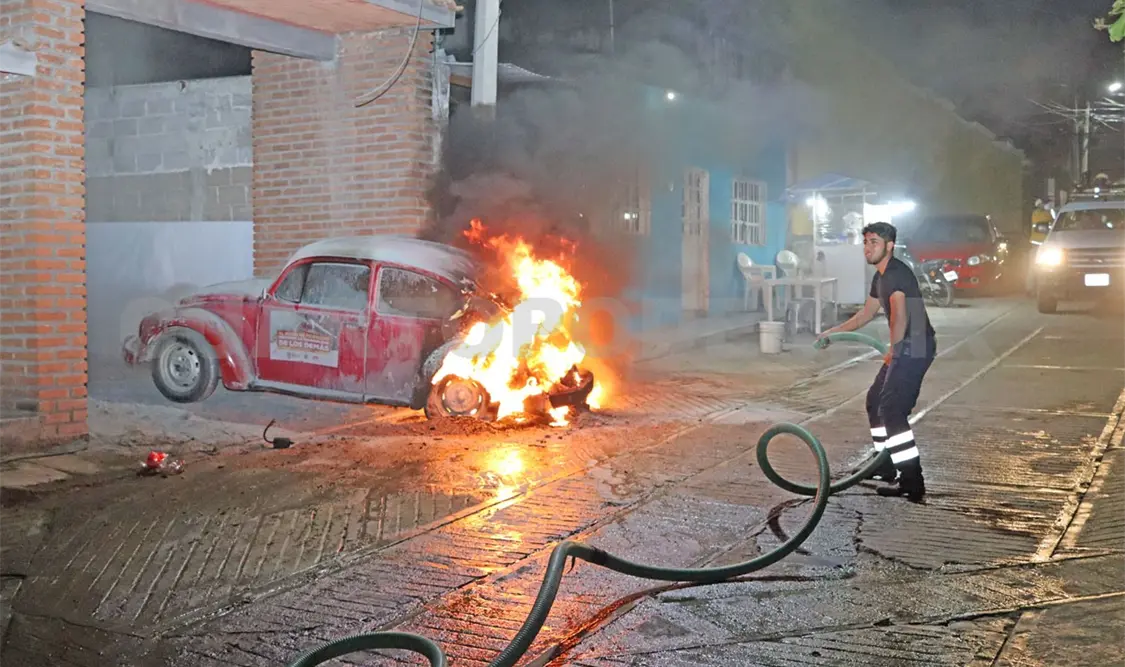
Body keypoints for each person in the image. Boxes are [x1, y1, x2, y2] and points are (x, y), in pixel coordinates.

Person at [817, 221, 937, 502]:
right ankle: (885, 463)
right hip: (905, 346)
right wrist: (832, 333)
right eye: (866, 242)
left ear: (889, 246)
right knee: (875, 402)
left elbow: (899, 317)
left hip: (915, 346)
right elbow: (866, 314)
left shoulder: (896, 273)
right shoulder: (880, 277)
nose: (867, 248)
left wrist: (894, 351)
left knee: (893, 410)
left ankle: (912, 481)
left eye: (874, 242)